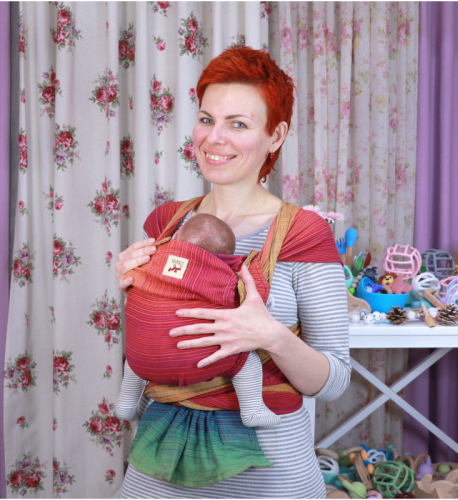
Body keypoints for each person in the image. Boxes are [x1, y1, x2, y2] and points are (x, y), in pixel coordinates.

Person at [115, 46, 350, 498]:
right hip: (159, 473)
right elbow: (156, 348)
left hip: (271, 478)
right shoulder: (165, 224)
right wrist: (137, 293)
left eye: (238, 124)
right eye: (207, 119)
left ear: (275, 135)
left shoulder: (302, 232)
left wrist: (270, 335)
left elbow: (334, 381)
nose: (214, 138)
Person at [118, 212, 281, 428]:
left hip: (143, 361)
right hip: (200, 362)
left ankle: (126, 402)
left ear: (176, 237)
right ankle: (253, 410)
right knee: (247, 359)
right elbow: (257, 305)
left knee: (136, 356)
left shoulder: (149, 260)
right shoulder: (228, 279)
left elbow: (130, 285)